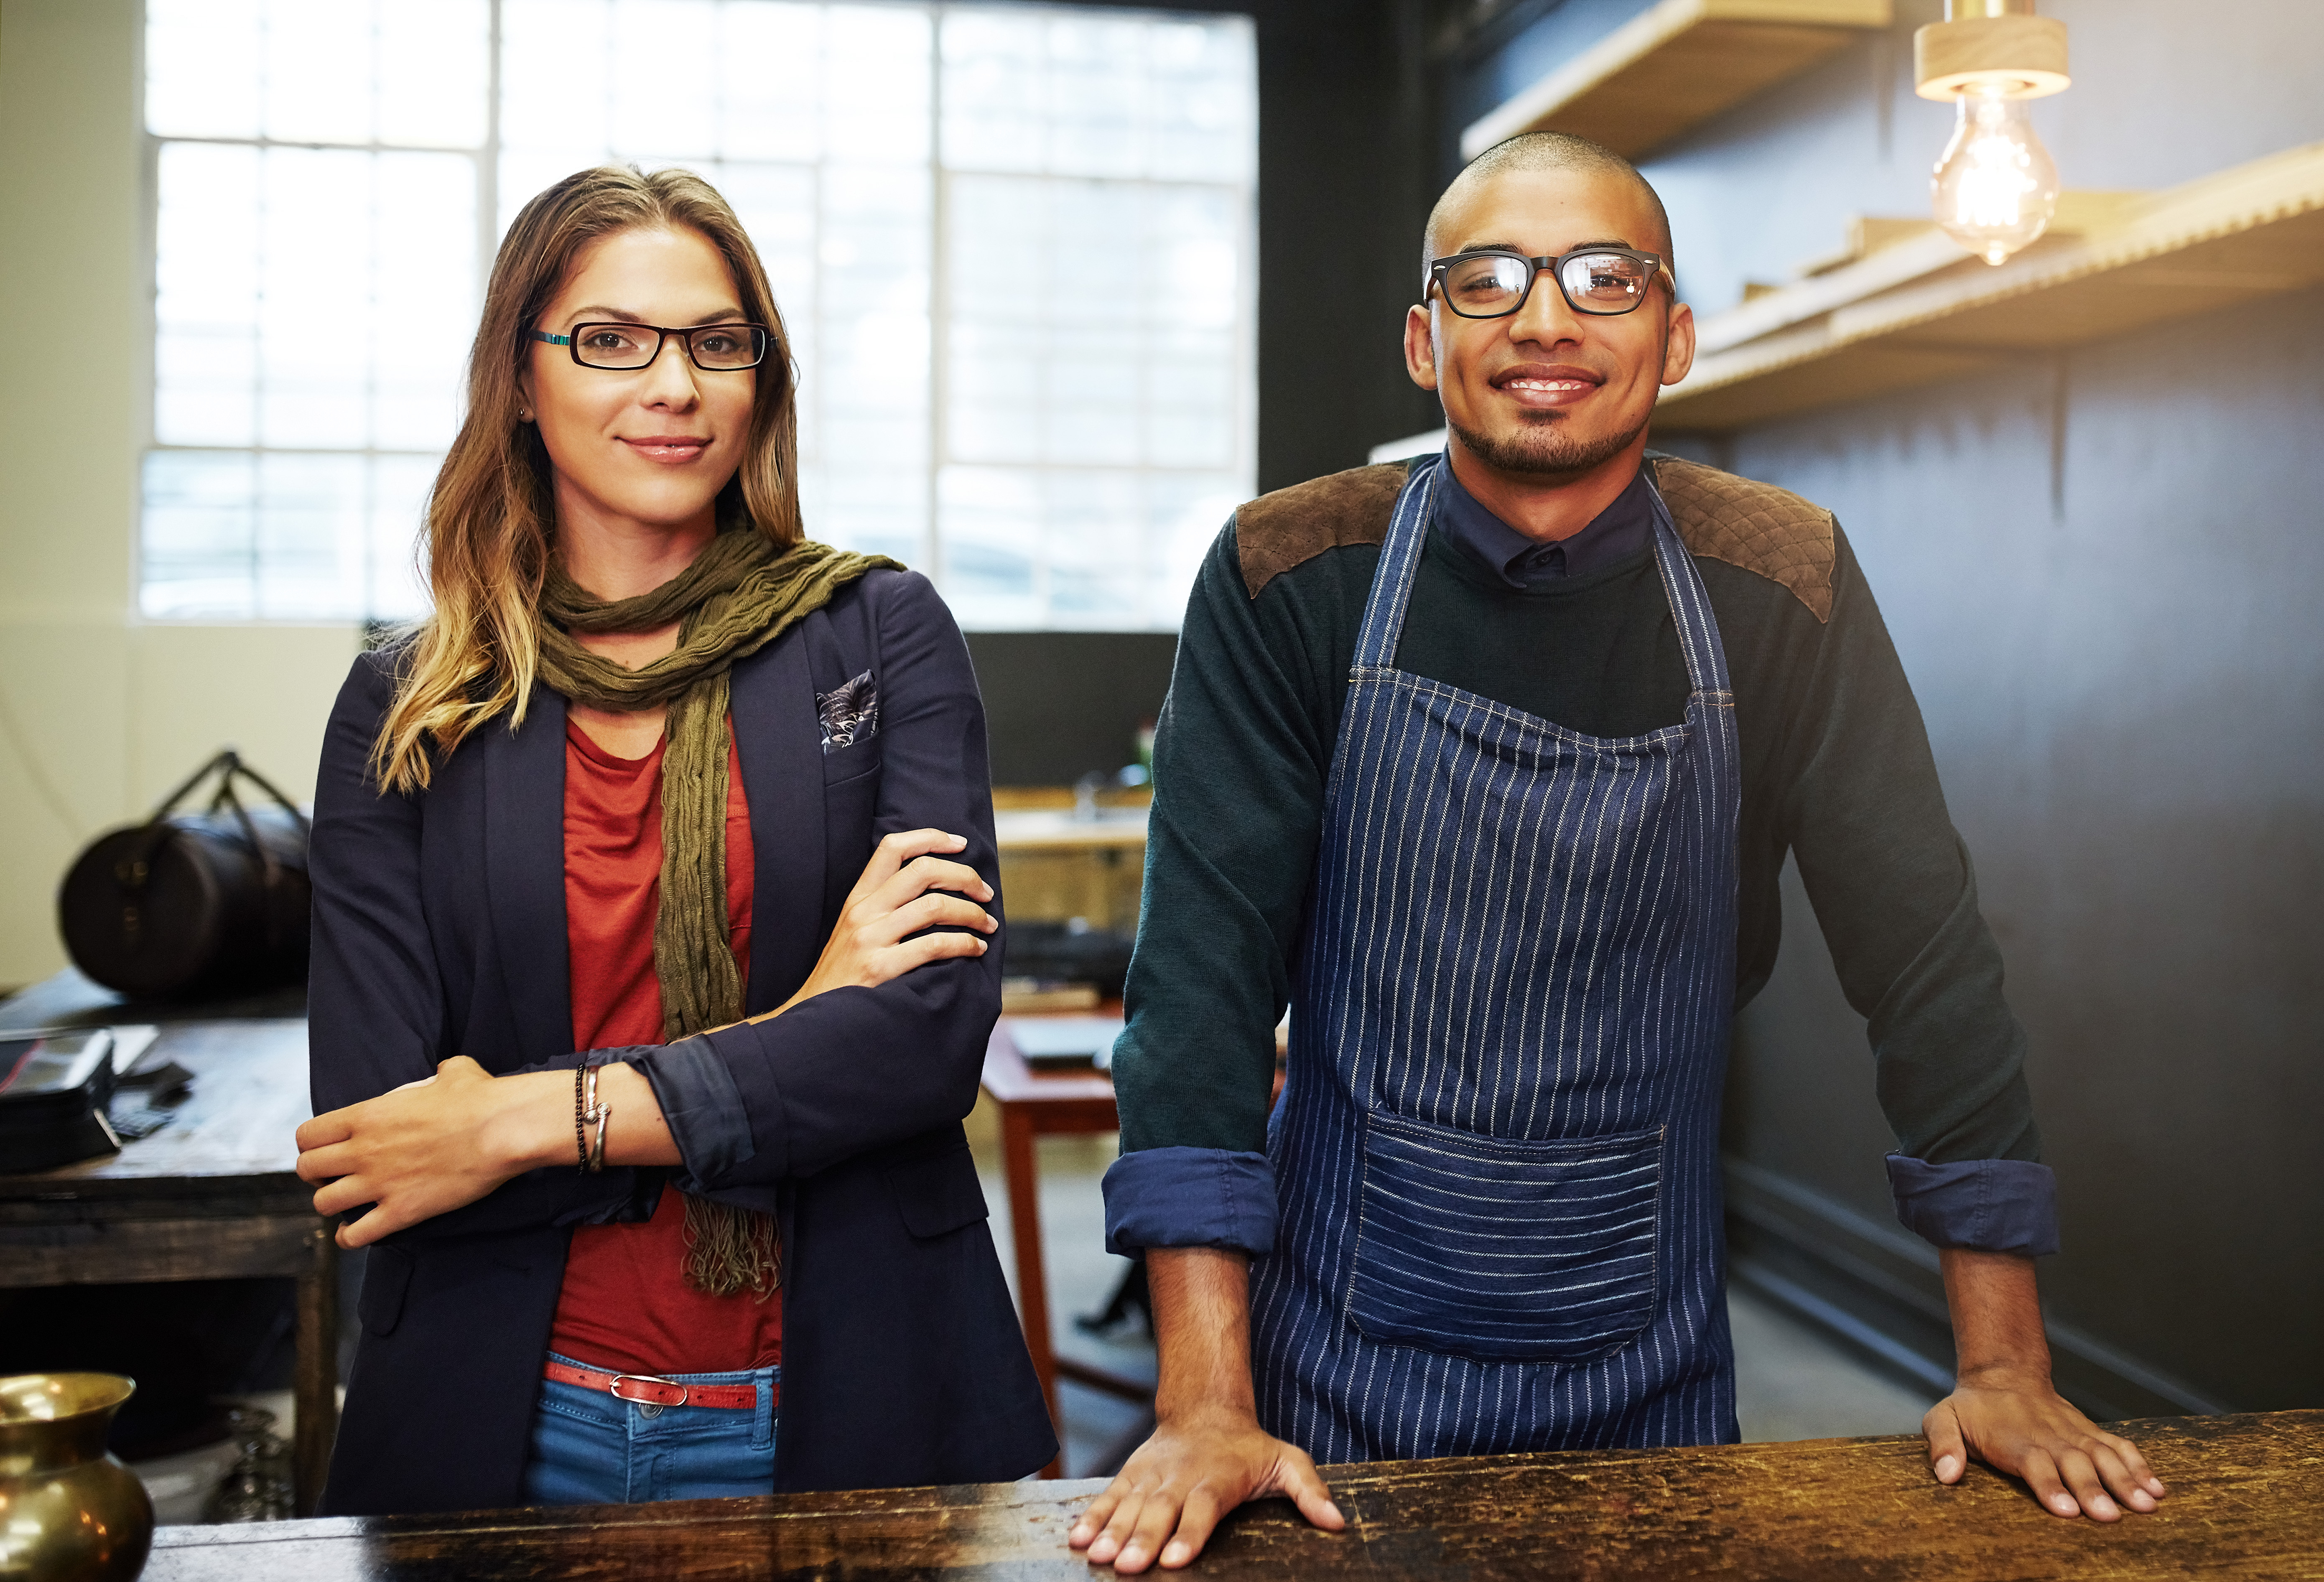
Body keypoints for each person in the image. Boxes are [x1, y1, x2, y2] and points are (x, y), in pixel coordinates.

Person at [1073, 132, 2166, 1572]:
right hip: (1325, 1373)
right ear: (1424, 338)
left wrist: (2008, 1363)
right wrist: (1205, 1403)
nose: (1544, 320)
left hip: (1646, 1363)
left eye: (1605, 277)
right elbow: (1198, 1001)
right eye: (1488, 281)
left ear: (1676, 334)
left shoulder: (1783, 583)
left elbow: (1927, 963)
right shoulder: (1294, 572)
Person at [293, 165, 1054, 1515]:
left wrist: (527, 1118)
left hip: (858, 1385)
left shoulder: (878, 633)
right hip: (509, 1411)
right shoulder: (409, 704)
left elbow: (927, 1044)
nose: (674, 385)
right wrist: (812, 1018)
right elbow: (390, 1141)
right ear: (521, 380)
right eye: (609, 341)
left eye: (716, 342)